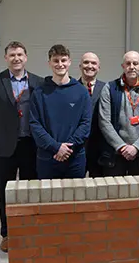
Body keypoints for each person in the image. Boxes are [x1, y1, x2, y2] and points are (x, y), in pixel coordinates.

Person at [0, 41, 43, 252]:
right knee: (4, 192)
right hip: (4, 148)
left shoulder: (38, 82)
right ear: (6, 58)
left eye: (20, 54)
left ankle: (29, 230)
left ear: (26, 57)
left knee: (29, 191)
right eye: (12, 55)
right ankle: (7, 233)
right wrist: (4, 130)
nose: (16, 58)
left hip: (30, 146)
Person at [29, 44, 92, 179]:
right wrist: (56, 147)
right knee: (47, 198)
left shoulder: (81, 92)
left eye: (63, 60)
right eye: (56, 60)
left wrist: (67, 149)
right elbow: (35, 124)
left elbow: (85, 124)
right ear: (49, 63)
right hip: (47, 158)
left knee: (75, 199)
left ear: (69, 62)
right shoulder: (39, 93)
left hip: (74, 158)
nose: (60, 64)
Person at [98, 50, 139, 176]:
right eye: (128, 63)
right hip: (114, 155)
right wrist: (122, 147)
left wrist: (136, 147)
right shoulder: (110, 88)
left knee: (138, 193)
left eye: (135, 63)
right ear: (123, 66)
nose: (132, 67)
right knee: (114, 193)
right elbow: (104, 121)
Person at [78, 52, 105, 177]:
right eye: (86, 62)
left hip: (100, 149)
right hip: (78, 147)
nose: (90, 66)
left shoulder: (107, 89)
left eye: (93, 63)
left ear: (99, 67)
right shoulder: (72, 87)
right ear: (80, 66)